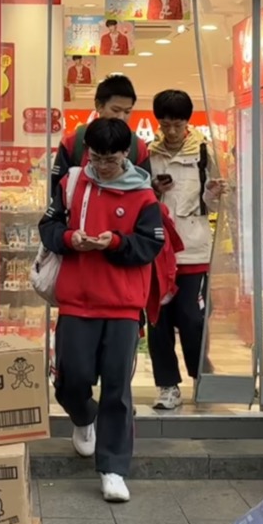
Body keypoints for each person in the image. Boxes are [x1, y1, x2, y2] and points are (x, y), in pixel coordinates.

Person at [39, 117, 165, 502]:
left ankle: (113, 469)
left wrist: (114, 243)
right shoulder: (72, 182)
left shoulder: (144, 195)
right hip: (76, 300)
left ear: (126, 154)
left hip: (123, 305)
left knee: (117, 387)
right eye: (96, 157)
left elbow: (150, 245)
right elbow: (48, 226)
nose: (102, 166)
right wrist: (68, 238)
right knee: (70, 381)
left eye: (110, 159)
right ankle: (83, 417)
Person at [147, 89, 223, 410]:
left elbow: (215, 203)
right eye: (165, 124)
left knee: (192, 318)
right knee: (158, 321)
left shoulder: (204, 153)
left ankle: (201, 376)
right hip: (157, 251)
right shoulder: (149, 154)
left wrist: (214, 193)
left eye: (177, 124)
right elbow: (138, 200)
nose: (171, 131)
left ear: (187, 122)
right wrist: (153, 189)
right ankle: (167, 386)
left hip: (193, 250)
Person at [52, 75, 151, 193]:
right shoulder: (74, 141)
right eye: (115, 110)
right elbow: (57, 187)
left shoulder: (137, 146)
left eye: (127, 111)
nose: (121, 117)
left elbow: (144, 188)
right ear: (99, 105)